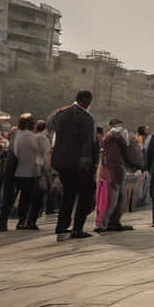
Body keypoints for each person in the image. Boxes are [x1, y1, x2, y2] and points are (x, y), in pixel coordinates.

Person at [49, 91, 99, 239]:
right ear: (89, 101)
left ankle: (62, 226)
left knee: (69, 193)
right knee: (87, 190)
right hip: (78, 161)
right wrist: (88, 162)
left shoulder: (59, 114)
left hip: (61, 159)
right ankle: (77, 228)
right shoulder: (87, 117)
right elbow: (87, 141)